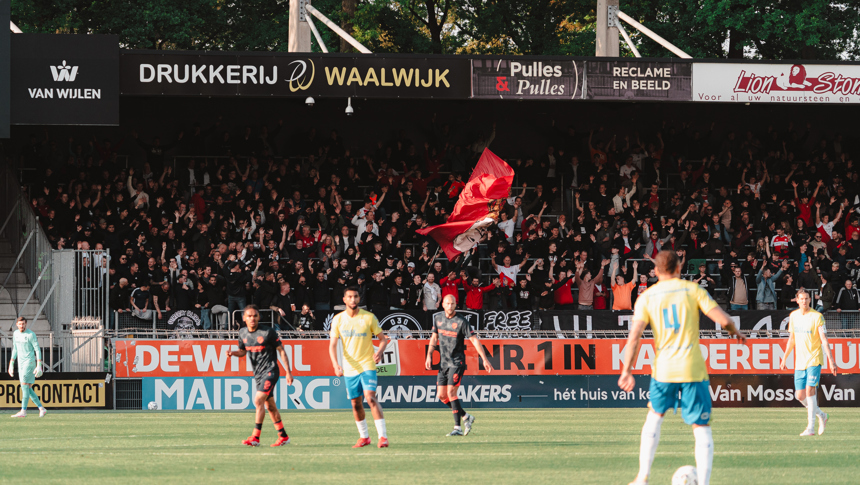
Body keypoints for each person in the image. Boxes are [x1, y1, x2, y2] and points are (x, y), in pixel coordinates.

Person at [618, 251, 744, 485]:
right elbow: (724, 319)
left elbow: (634, 337)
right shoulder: (692, 289)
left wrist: (627, 370)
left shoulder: (647, 296)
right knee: (701, 426)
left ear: (656, 271)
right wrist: (735, 332)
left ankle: (642, 477)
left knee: (654, 417)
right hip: (692, 369)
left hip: (663, 370)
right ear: (679, 267)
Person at [328, 286, 390, 448]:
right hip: (349, 368)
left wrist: (381, 351)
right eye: (349, 297)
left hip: (367, 364)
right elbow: (332, 345)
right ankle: (364, 437)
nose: (353, 300)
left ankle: (383, 437)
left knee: (370, 397)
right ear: (344, 300)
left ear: (359, 299)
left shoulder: (369, 318)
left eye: (355, 296)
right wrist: (336, 365)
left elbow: (383, 339)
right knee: (356, 403)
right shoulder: (338, 320)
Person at [425, 295, 495, 436]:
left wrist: (485, 360)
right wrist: (429, 355)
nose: (450, 306)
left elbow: (474, 340)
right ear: (443, 304)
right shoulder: (437, 318)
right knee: (441, 395)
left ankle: (457, 428)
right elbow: (434, 337)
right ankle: (465, 416)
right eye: (447, 303)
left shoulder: (461, 321)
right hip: (443, 363)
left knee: (451, 393)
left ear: (456, 304)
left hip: (457, 362)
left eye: (452, 304)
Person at [227, 305, 294, 446]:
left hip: (271, 371)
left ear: (259, 317)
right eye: (249, 316)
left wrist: (288, 372)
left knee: (258, 400)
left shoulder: (268, 332)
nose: (252, 318)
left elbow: (281, 351)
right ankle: (283, 436)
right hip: (258, 375)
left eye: (255, 316)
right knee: (270, 406)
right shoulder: (243, 333)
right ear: (244, 318)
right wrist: (233, 353)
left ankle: (255, 437)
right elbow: (243, 351)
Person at [779, 289, 836, 436]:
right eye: (801, 299)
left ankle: (810, 428)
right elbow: (792, 339)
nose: (804, 301)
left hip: (814, 359)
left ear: (810, 300)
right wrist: (785, 357)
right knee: (799, 396)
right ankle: (821, 415)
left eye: (806, 299)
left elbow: (824, 339)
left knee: (810, 390)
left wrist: (831, 360)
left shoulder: (817, 316)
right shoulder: (793, 316)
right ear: (797, 300)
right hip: (800, 361)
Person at [7, 317, 47, 418]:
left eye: (23, 324)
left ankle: (23, 411)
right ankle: (41, 408)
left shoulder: (31, 334)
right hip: (20, 363)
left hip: (29, 362)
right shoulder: (15, 334)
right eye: (20, 324)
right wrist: (11, 363)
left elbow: (37, 350)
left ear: (26, 324)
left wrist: (39, 365)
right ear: (16, 324)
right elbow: (15, 349)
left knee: (24, 386)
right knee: (27, 388)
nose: (21, 326)